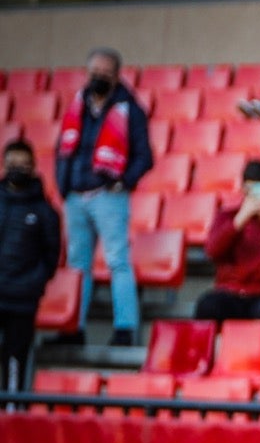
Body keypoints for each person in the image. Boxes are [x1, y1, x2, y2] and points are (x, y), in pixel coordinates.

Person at [55, 46, 153, 346]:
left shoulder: (130, 109)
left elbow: (144, 156)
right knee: (77, 265)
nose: (98, 78)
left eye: (105, 73)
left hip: (109, 196)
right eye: (94, 72)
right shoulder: (77, 106)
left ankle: (125, 328)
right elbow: (63, 149)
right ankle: (73, 328)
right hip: (76, 195)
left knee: (117, 262)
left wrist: (124, 182)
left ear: (117, 75)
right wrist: (64, 185)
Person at [196, 160, 260, 320]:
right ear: (244, 189)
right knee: (208, 306)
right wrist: (239, 221)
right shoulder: (227, 217)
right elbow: (212, 251)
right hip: (231, 292)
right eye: (251, 190)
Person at [0, 140, 61, 388]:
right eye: (13, 164)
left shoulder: (45, 212)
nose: (18, 169)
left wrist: (33, 283)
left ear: (33, 167)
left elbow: (51, 256)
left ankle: (12, 413)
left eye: (23, 165)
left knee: (15, 360)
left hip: (22, 301)